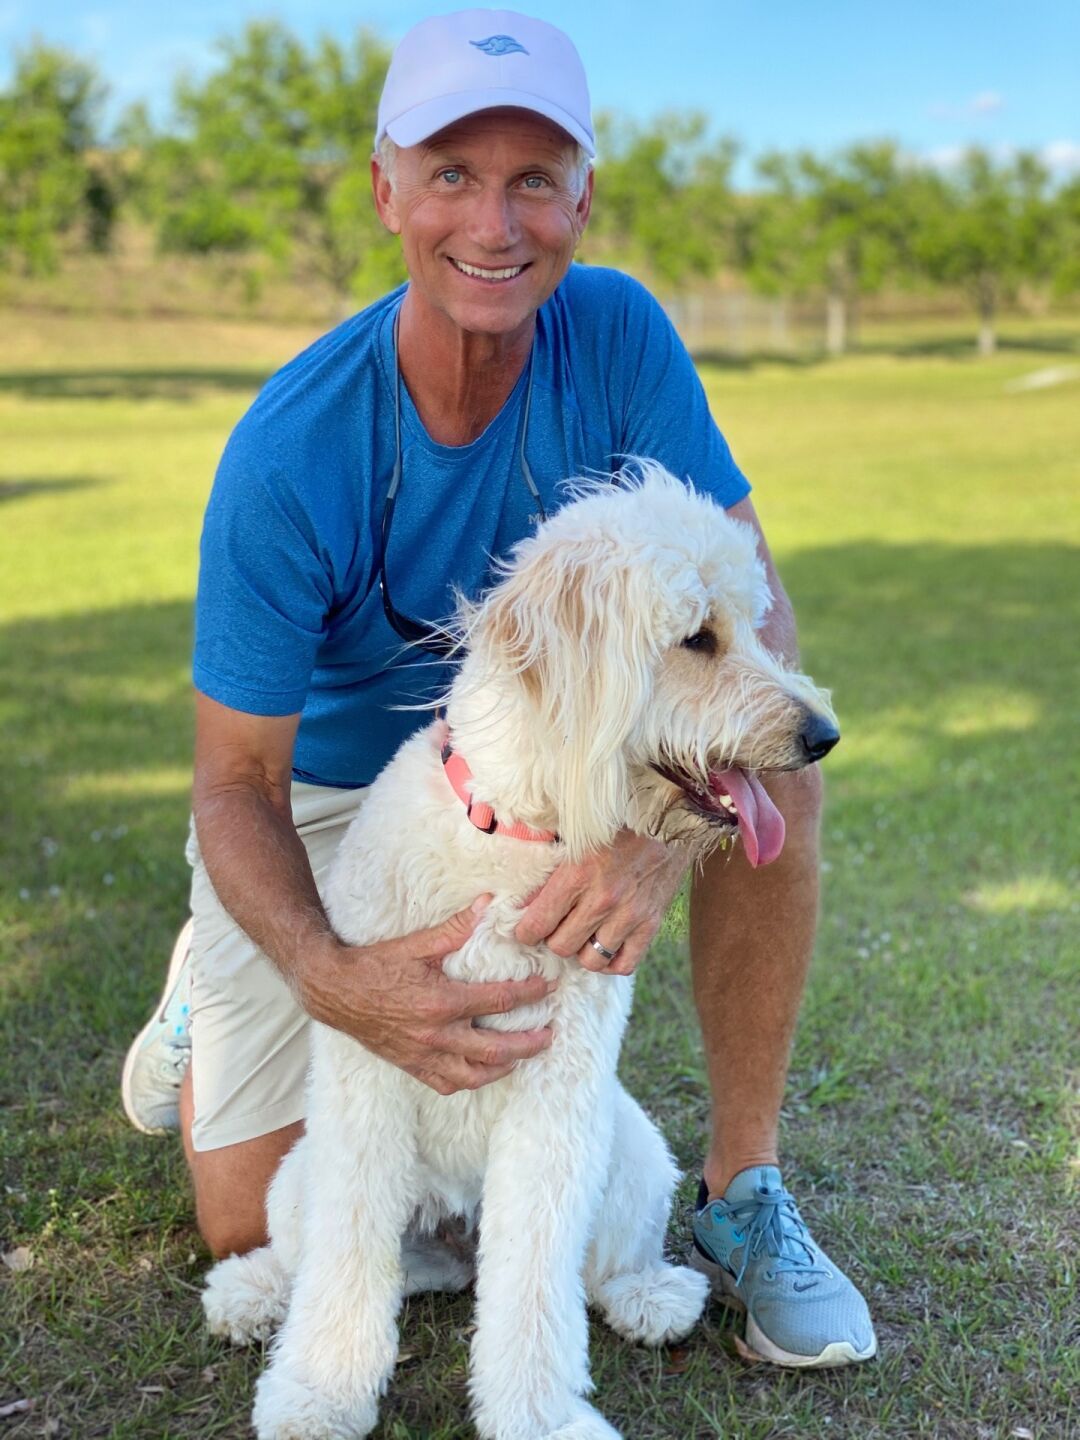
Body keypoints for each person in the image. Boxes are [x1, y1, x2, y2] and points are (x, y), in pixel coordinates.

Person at [122, 8, 876, 1369]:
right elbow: (235, 782)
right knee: (250, 1226)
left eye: (534, 177)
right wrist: (327, 974)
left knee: (773, 773)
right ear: (386, 190)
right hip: (328, 805)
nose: (495, 220)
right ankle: (219, 969)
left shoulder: (620, 334)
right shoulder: (290, 450)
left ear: (580, 196)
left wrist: (662, 837)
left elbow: (749, 606)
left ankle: (744, 1190)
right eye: (453, 173)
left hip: (565, 766)